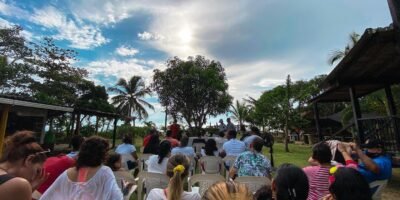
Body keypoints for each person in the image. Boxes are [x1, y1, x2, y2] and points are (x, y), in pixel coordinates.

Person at [40, 136, 123, 200]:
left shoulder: (67, 173)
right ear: (103, 155)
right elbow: (117, 197)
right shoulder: (105, 171)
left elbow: (46, 197)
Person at [0, 131, 48, 200]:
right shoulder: (20, 185)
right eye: (37, 171)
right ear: (29, 159)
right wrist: (27, 189)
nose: (34, 178)